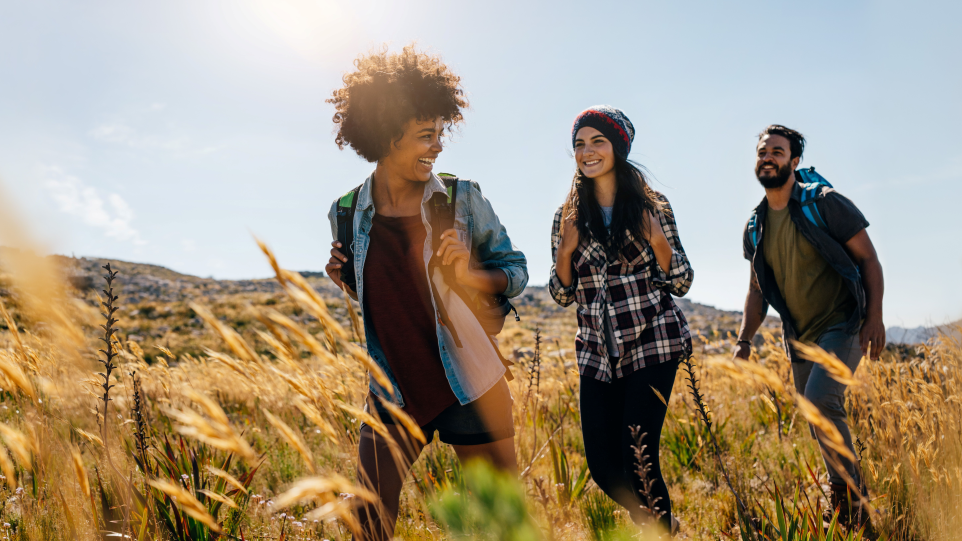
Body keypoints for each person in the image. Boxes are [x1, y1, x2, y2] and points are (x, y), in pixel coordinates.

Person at [324, 46, 528, 541]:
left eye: (441, 134)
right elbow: (385, 294)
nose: (437, 146)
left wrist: (474, 277)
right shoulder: (347, 211)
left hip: (470, 383)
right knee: (369, 521)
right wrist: (344, 279)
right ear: (385, 133)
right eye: (424, 136)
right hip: (392, 389)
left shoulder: (462, 198)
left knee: (503, 527)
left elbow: (515, 271)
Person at [549, 105, 693, 533]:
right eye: (579, 144)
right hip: (596, 354)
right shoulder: (567, 216)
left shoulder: (653, 206)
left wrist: (658, 242)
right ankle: (660, 524)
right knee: (602, 466)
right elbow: (561, 294)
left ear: (619, 148)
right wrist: (564, 252)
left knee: (640, 458)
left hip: (653, 344)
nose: (587, 151)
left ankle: (658, 530)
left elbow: (682, 280)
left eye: (597, 142)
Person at [733, 125, 884, 526]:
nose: (768, 157)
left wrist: (875, 317)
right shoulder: (755, 226)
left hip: (844, 322)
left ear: (794, 162)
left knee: (821, 401)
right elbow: (756, 289)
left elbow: (869, 259)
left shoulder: (825, 203)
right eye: (763, 151)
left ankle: (854, 504)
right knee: (815, 416)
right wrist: (744, 339)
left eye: (778, 151)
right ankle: (845, 499)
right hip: (799, 337)